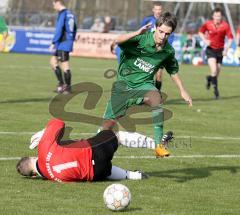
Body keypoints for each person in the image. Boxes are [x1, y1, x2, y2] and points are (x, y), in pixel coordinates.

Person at [102, 12, 192, 158]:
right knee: (105, 130)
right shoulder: (141, 39)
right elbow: (118, 40)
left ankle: (158, 145)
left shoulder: (168, 51)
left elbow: (173, 71)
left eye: (167, 34)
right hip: (123, 88)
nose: (163, 37)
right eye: (161, 31)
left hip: (144, 86)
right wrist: (137, 32)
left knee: (156, 98)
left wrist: (183, 90)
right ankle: (94, 148)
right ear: (155, 28)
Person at [16, 118, 162, 182]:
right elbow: (59, 122)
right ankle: (156, 145)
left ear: (34, 176)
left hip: (96, 174)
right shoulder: (43, 149)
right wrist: (43, 133)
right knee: (114, 133)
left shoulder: (50, 177)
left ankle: (134, 176)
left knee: (102, 168)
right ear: (32, 156)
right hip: (93, 151)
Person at [199, 8, 233, 99]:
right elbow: (200, 32)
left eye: (219, 16)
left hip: (220, 51)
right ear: (213, 16)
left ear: (221, 16)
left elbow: (230, 38)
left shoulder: (225, 26)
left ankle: (209, 78)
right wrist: (205, 40)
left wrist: (226, 49)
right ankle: (216, 93)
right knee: (214, 70)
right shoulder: (208, 24)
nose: (217, 17)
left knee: (216, 73)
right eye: (216, 16)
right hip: (210, 50)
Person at [141, 2, 174, 93]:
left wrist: (165, 47)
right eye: (156, 9)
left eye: (160, 9)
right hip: (149, 50)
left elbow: (170, 35)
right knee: (147, 73)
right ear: (153, 10)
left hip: (160, 52)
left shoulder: (165, 21)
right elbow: (142, 32)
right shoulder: (147, 20)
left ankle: (156, 94)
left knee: (159, 75)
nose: (158, 11)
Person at [49, 0, 77, 94]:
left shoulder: (63, 14)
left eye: (53, 4)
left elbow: (59, 29)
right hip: (65, 41)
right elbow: (75, 28)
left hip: (63, 42)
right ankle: (61, 84)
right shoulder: (70, 14)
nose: (53, 7)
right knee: (53, 62)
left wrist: (54, 42)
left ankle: (68, 88)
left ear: (58, 2)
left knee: (65, 65)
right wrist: (72, 39)